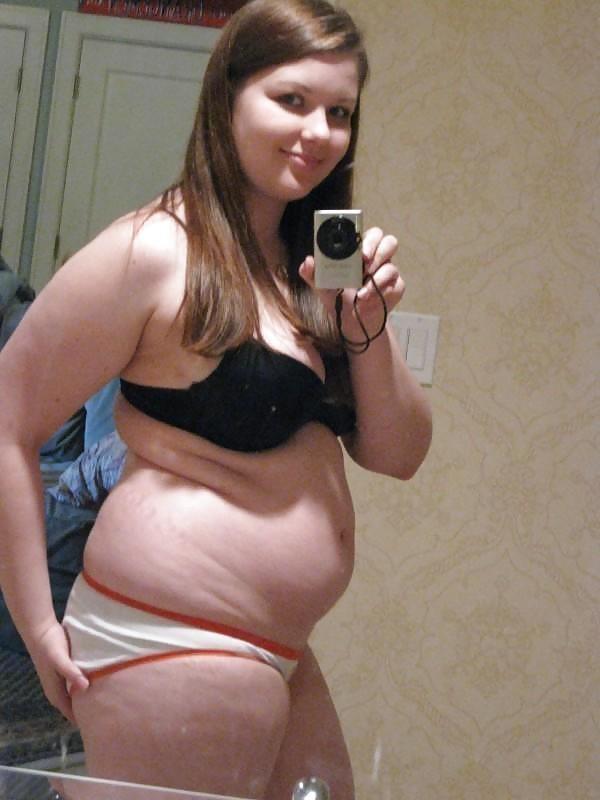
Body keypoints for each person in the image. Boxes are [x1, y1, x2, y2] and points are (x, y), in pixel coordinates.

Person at [0, 0, 432, 797]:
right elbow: (8, 421)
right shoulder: (155, 251)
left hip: (278, 646)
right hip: (168, 638)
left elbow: (398, 454)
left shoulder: (313, 267)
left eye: (340, 112)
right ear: (228, 94)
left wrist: (366, 329)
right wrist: (35, 625)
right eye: (292, 100)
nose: (318, 132)